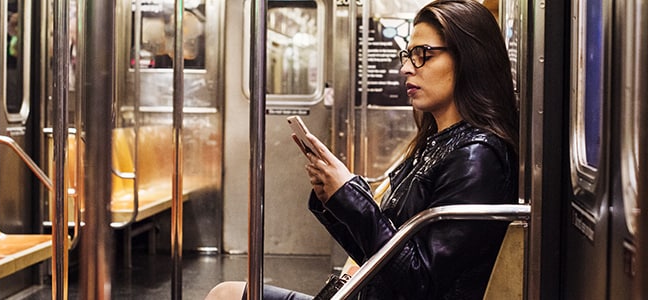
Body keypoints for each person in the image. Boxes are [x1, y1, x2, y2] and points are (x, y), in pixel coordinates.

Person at [205, 0, 518, 299]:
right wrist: (336, 198)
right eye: (407, 56)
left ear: (469, 57)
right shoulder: (435, 142)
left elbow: (420, 281)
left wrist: (350, 197)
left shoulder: (475, 157)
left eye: (424, 54)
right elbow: (378, 256)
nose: (408, 68)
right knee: (225, 294)